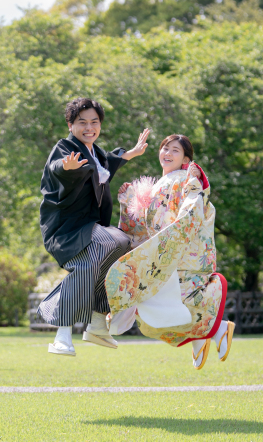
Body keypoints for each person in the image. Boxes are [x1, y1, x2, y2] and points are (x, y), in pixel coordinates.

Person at [105, 134, 233, 370]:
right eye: (165, 148)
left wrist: (177, 233)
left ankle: (219, 329)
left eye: (175, 150)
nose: (168, 153)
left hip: (182, 250)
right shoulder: (156, 186)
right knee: (153, 315)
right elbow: (139, 227)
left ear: (185, 159)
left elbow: (196, 202)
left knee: (178, 303)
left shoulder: (185, 177)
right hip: (162, 253)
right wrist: (129, 201)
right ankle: (203, 337)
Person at [37, 97, 150, 356]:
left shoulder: (95, 152)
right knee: (103, 249)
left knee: (123, 243)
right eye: (82, 123)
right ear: (70, 124)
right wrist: (66, 168)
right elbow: (58, 167)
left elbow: (107, 162)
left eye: (94, 122)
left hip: (90, 229)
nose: (89, 127)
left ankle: (98, 322)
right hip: (66, 229)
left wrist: (130, 154)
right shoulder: (64, 148)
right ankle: (61, 333)